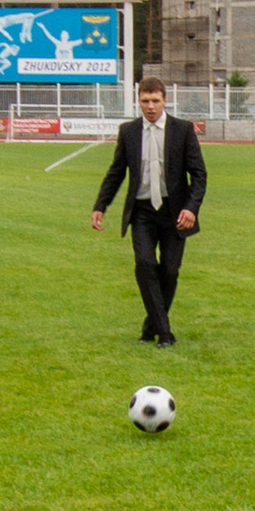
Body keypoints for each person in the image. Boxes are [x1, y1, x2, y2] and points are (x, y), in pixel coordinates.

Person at [92, 74, 206, 347]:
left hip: (175, 212)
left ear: (165, 100)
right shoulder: (129, 131)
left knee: (169, 271)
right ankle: (164, 334)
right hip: (142, 211)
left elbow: (199, 174)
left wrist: (191, 208)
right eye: (145, 101)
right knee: (144, 265)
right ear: (139, 101)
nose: (151, 106)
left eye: (155, 100)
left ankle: (150, 327)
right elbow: (116, 172)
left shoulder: (182, 130)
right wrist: (100, 206)